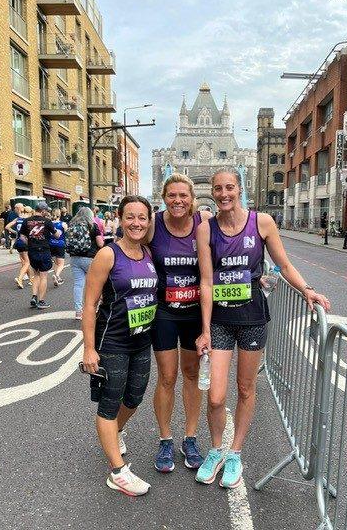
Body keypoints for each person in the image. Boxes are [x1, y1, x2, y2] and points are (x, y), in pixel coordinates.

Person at [194, 168, 330, 488]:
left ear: (239, 189)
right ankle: (216, 450)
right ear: (212, 193)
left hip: (253, 317)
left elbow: (283, 264)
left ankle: (236, 453)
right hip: (220, 322)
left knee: (244, 389)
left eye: (230, 187)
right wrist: (205, 329)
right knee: (215, 397)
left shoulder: (262, 223)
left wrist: (306, 289)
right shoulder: (205, 230)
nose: (224, 194)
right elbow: (206, 280)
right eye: (218, 189)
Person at [82, 195, 157, 496]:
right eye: (130, 217)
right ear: (120, 219)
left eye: (142, 217)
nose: (136, 223)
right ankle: (118, 471)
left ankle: (114, 432)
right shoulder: (108, 255)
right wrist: (89, 348)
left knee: (135, 398)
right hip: (112, 342)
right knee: (110, 403)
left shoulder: (148, 252)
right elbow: (89, 305)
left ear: (148, 221)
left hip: (142, 340)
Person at [147, 173, 212, 473]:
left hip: (193, 312)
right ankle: (165, 439)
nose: (178, 201)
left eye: (183, 196)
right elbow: (131, 246)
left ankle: (190, 437)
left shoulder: (203, 222)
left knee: (191, 373)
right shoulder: (153, 225)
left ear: (192, 198)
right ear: (164, 198)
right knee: (167, 376)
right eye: (172, 195)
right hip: (164, 311)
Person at [19, 202, 61, 309]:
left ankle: (34, 297)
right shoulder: (47, 221)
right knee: (43, 276)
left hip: (32, 251)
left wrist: (28, 243)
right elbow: (56, 235)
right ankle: (41, 301)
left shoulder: (26, 221)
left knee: (36, 274)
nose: (46, 212)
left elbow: (22, 236)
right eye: (46, 211)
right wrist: (58, 232)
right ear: (42, 211)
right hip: (44, 250)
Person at [67, 207, 104, 320]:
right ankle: (96, 308)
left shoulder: (72, 225)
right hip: (90, 258)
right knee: (97, 284)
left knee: (78, 285)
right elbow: (100, 243)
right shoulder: (92, 225)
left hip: (74, 258)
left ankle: (78, 312)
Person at [5, 203, 32, 288]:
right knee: (27, 262)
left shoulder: (18, 219)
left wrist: (16, 232)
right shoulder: (28, 220)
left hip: (18, 242)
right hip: (25, 242)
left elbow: (7, 227)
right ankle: (19, 279)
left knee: (24, 262)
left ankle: (31, 279)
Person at [50, 208, 67, 286]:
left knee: (56, 263)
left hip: (51, 244)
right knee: (61, 264)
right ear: (59, 214)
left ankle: (58, 277)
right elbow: (67, 234)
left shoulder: (49, 223)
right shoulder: (63, 224)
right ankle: (57, 275)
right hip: (60, 244)